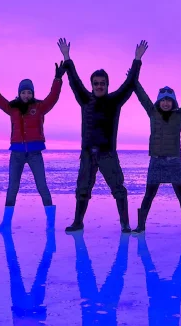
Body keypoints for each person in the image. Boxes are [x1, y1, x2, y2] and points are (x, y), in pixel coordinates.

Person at [58, 38, 149, 233]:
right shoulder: (85, 99)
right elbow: (74, 80)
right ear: (92, 85)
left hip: (108, 154)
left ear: (107, 85)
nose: (99, 86)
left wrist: (137, 59)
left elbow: (130, 83)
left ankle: (125, 223)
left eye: (102, 83)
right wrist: (66, 57)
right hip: (88, 154)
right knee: (82, 189)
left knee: (118, 189)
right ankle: (78, 222)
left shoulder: (114, 101)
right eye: (96, 83)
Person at [0, 58, 65, 231]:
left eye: (29, 92)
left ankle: (50, 223)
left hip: (35, 153)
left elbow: (53, 97)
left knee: (42, 186)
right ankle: (6, 224)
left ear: (32, 93)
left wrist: (58, 79)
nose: (26, 95)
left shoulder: (40, 107)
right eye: (24, 92)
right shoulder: (12, 108)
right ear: (19, 93)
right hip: (17, 154)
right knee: (12, 187)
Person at [130, 67, 181, 235]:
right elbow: (142, 96)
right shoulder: (152, 113)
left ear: (174, 102)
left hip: (174, 161)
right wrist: (133, 78)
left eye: (169, 100)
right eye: (163, 100)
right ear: (159, 102)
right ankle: (141, 225)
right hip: (156, 161)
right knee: (149, 194)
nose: (166, 103)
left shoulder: (180, 115)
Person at [67, 233, 139, 326]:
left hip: (92, 305)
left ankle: (81, 241)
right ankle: (123, 242)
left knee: (86, 270)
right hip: (107, 305)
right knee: (116, 272)